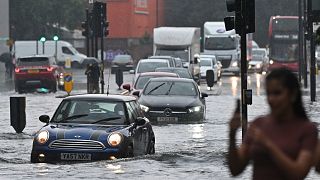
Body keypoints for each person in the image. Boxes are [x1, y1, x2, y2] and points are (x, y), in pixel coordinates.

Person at [228, 68, 318, 180]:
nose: (271, 99)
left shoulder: (307, 129)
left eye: (277, 93)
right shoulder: (258, 124)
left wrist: (267, 144)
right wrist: (232, 135)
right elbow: (235, 170)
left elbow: (298, 173)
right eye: (268, 94)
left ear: (293, 94)